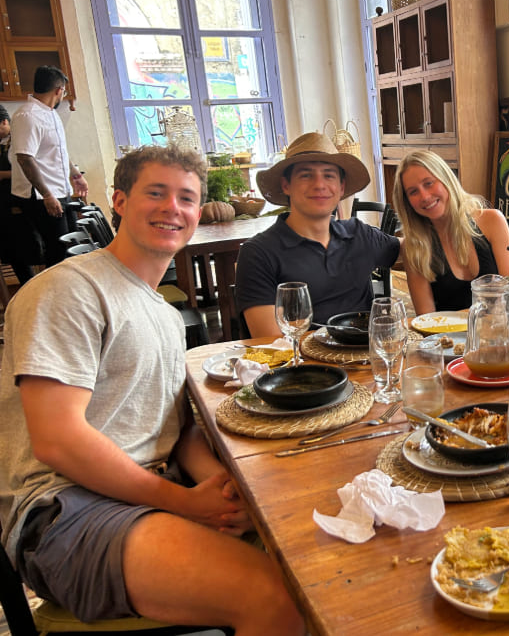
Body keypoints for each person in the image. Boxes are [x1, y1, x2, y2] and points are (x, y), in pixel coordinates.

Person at [0, 145, 304, 633]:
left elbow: (177, 431)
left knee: (308, 550)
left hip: (152, 490)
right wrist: (182, 501)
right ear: (118, 200)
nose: (172, 209)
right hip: (67, 511)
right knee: (275, 599)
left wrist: (228, 494)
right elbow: (57, 440)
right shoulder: (69, 289)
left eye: (186, 198)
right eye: (156, 193)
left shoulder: (164, 315)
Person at [236, 131, 400, 336]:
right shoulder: (258, 253)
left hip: (367, 361)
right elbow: (268, 338)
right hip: (304, 365)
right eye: (306, 175)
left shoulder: (359, 235)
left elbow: (415, 251)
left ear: (341, 187)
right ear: (286, 185)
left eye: (328, 175)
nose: (319, 184)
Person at [391, 150, 509, 315]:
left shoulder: (492, 221)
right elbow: (427, 320)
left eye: (428, 183)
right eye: (413, 192)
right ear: (407, 202)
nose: (425, 196)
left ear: (446, 179)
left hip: (499, 334)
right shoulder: (413, 246)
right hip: (448, 339)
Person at [9, 66, 89, 268]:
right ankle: (57, 296)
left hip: (60, 190)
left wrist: (76, 175)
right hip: (41, 196)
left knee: (74, 244)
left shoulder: (51, 114)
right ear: (59, 90)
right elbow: (25, 158)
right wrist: (46, 195)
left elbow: (59, 150)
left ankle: (73, 293)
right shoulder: (27, 116)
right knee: (58, 251)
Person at [0, 105, 40, 284]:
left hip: (21, 202)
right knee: (12, 252)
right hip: (4, 206)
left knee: (27, 250)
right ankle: (27, 287)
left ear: (4, 122)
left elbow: (30, 169)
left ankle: (36, 286)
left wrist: (2, 175)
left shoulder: (18, 140)